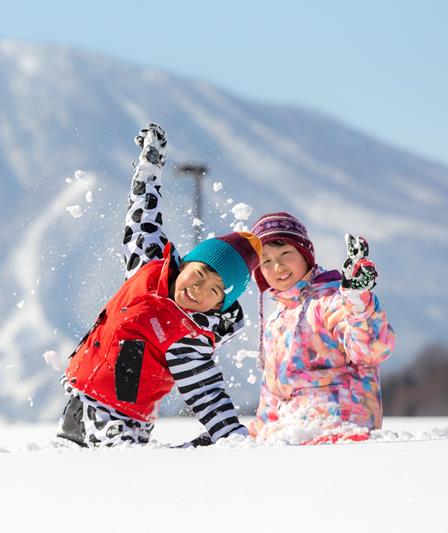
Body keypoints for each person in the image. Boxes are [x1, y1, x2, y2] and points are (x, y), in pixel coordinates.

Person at [56, 123, 262, 447]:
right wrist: (150, 165)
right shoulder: (149, 266)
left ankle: (198, 453)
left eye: (214, 291)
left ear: (219, 306)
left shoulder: (187, 334)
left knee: (114, 482)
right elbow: (142, 218)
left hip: (120, 421)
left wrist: (232, 437)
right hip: (78, 402)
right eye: (200, 274)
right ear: (185, 265)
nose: (199, 289)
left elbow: (206, 392)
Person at [248, 212, 395, 444]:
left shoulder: (330, 299)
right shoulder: (276, 321)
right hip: (291, 431)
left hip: (340, 426)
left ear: (306, 255)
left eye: (286, 253)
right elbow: (272, 394)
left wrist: (357, 302)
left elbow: (371, 351)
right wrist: (256, 435)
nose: (277, 266)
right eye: (266, 261)